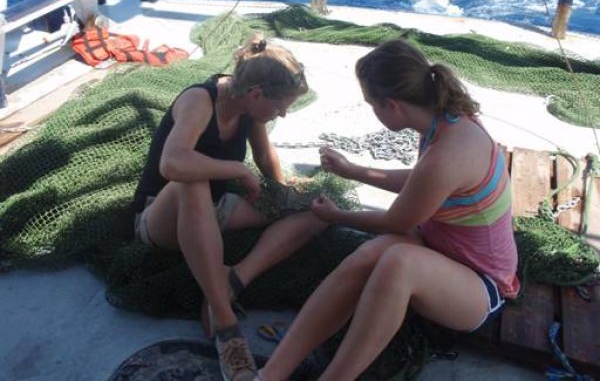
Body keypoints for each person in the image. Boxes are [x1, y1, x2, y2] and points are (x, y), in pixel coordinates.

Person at [255, 39, 520, 381]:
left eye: (371, 105)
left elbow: (396, 221)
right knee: (369, 256)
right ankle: (270, 375)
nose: (372, 112)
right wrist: (353, 171)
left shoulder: (448, 153)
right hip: (441, 253)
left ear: (392, 106)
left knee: (398, 262)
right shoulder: (446, 122)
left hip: (483, 287)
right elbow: (422, 183)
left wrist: (336, 216)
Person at [131, 34, 327, 381]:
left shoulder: (251, 113)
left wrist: (280, 194)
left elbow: (265, 157)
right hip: (161, 215)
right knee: (192, 180)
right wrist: (238, 169)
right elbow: (172, 164)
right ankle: (224, 319)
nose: (282, 113)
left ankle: (234, 279)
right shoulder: (199, 100)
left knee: (320, 210)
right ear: (255, 95)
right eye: (280, 106)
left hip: (216, 208)